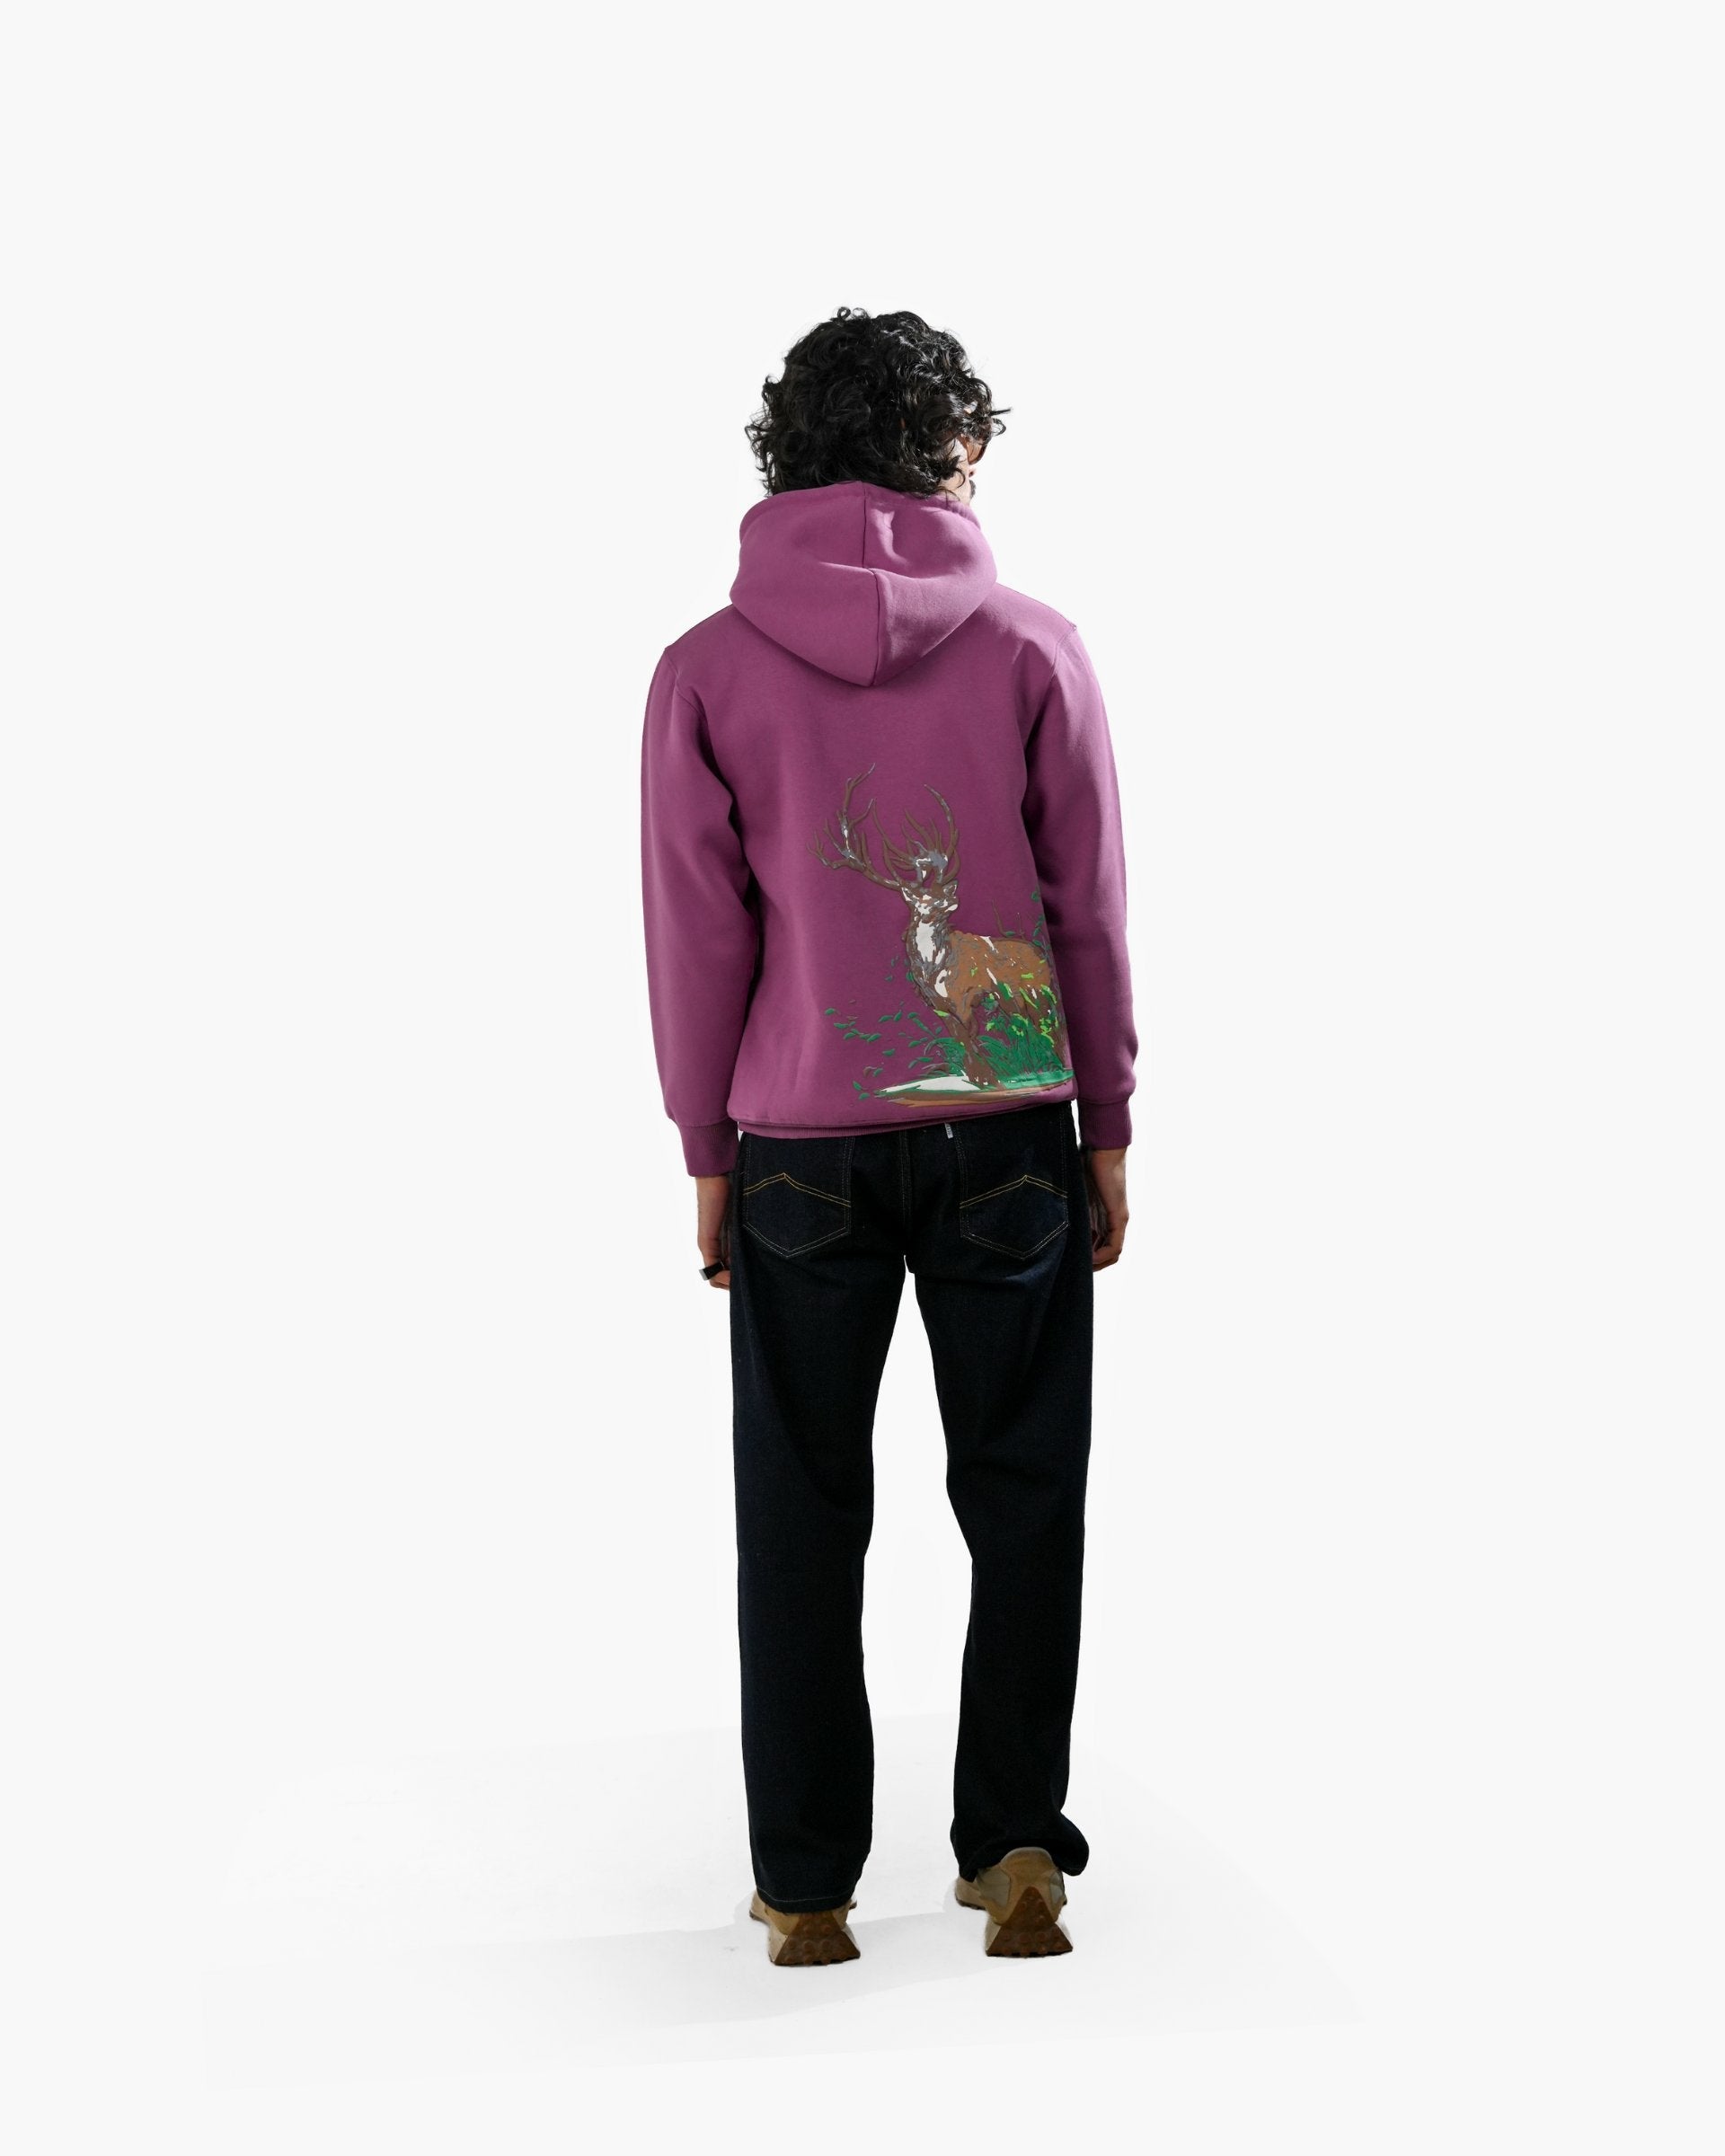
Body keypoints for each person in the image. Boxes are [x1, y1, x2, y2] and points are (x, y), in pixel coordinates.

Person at [639, 306, 1137, 1966]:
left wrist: (708, 1151)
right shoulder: (1035, 649)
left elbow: (697, 934)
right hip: (1009, 1128)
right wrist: (1107, 1117)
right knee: (1026, 1492)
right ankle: (1015, 1850)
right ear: (954, 450)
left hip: (797, 1144)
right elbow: (1086, 908)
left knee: (797, 1508)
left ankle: (805, 1888)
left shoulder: (705, 670)